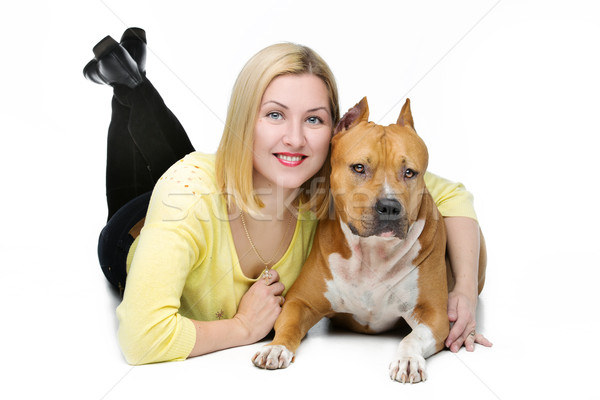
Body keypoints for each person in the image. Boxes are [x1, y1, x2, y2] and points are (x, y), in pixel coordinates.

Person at [86, 28, 491, 365]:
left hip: (217, 181)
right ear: (247, 118)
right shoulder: (187, 198)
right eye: (275, 114)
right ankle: (130, 86)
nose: (296, 138)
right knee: (153, 183)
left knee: (182, 163)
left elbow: (449, 195)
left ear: (335, 132)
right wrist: (243, 328)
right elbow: (142, 341)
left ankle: (128, 78)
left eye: (313, 119)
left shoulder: (336, 184)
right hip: (132, 234)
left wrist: (464, 290)